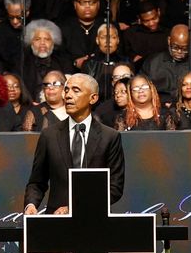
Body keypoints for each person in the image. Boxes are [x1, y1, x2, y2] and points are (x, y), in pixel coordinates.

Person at [24, 73, 124, 214]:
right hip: (57, 222)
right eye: (66, 90)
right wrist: (31, 205)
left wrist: (76, 207)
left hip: (96, 221)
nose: (67, 96)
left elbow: (115, 187)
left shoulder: (110, 137)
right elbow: (36, 182)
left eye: (76, 90)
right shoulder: (49, 135)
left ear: (93, 98)